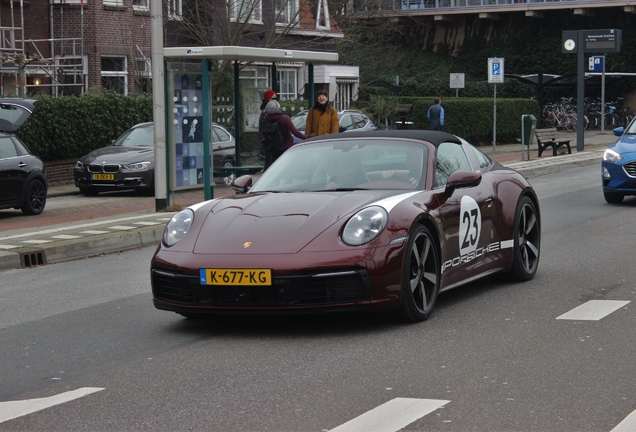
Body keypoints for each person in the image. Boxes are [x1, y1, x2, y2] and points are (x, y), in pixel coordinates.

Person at [262, 99, 307, 169]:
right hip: (286, 148)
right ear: (278, 108)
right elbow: (295, 132)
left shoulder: (266, 119)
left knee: (276, 168)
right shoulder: (284, 118)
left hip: (272, 149)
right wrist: (306, 137)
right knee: (288, 169)